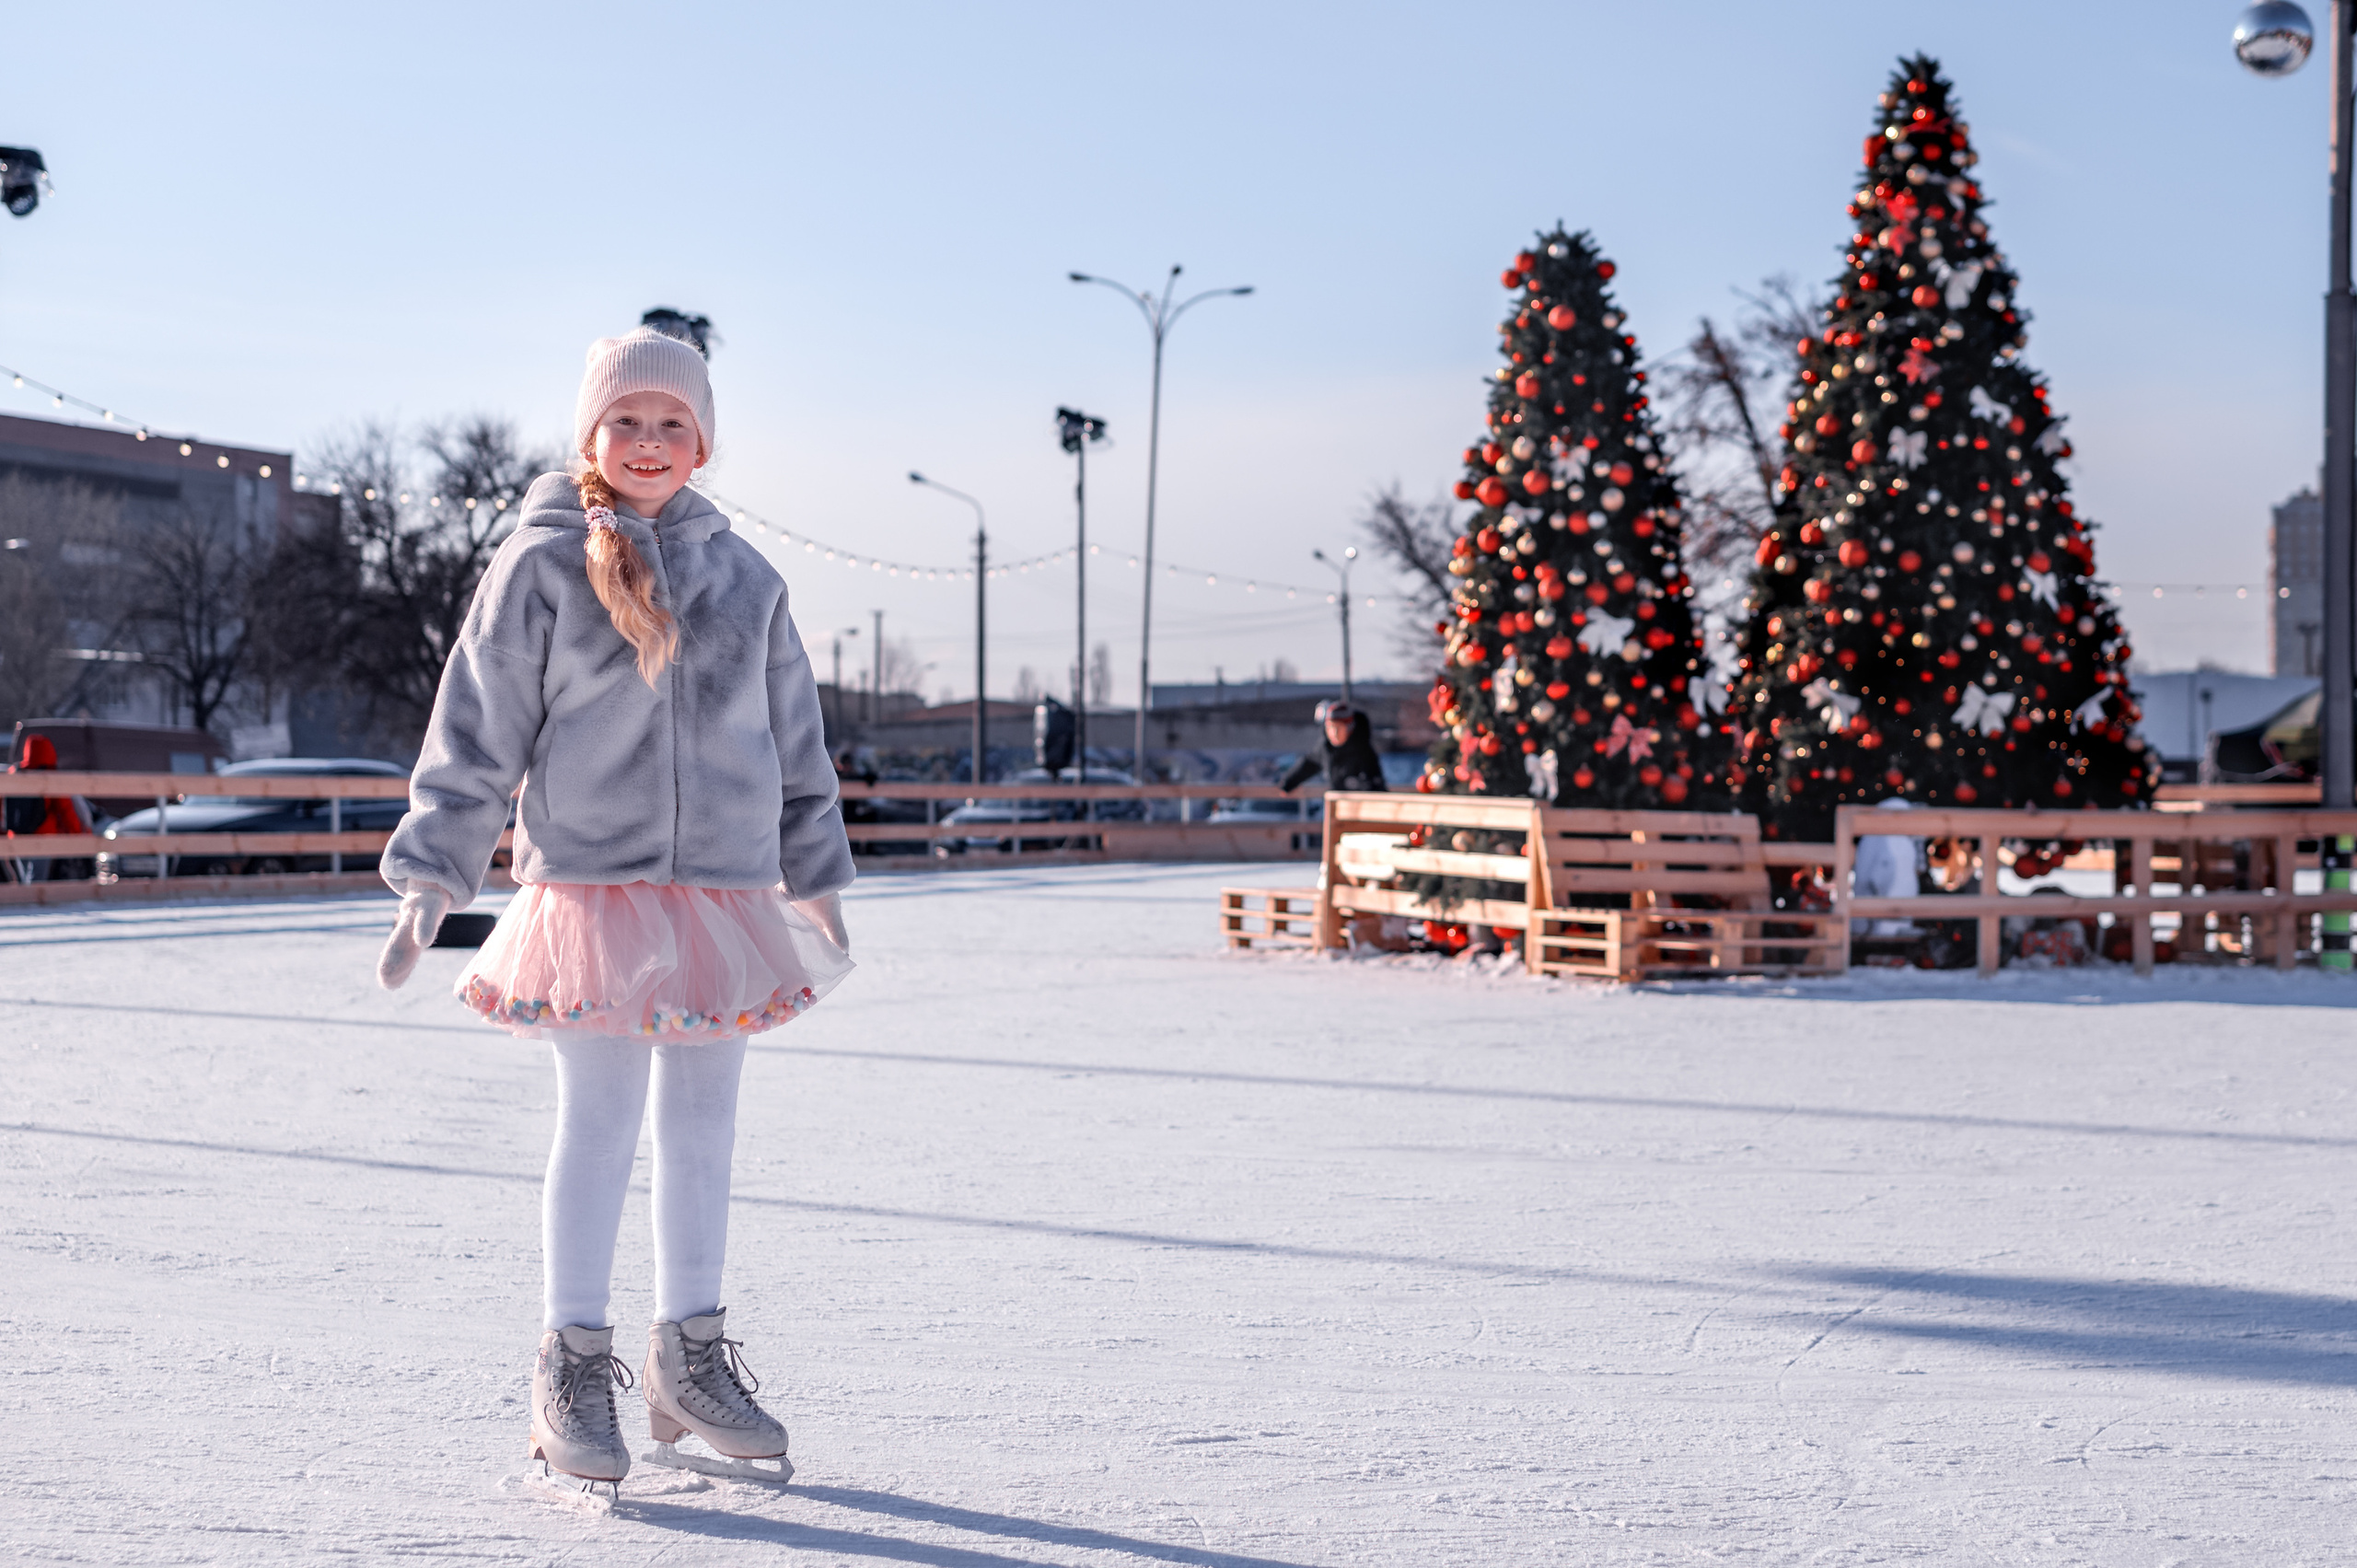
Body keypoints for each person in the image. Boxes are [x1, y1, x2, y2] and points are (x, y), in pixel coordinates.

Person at [375, 328, 853, 1494]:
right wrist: (434, 873)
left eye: (672, 424)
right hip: (589, 887)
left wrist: (818, 875)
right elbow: (477, 730)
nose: (649, 442)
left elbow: (797, 745)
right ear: (590, 435)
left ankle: (689, 1357)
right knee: (596, 1119)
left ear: (702, 441)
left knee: (704, 1127)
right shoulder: (541, 564)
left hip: (722, 896)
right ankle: (571, 1362)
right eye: (627, 421)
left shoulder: (748, 577)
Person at [3, 733, 95, 882]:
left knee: (23, 879)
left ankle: (27, 901)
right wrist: (82, 834)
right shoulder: (49, 777)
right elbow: (66, 810)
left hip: (16, 835)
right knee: (37, 880)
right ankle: (33, 903)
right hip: (44, 835)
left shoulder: (14, 773)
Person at [1278, 698, 1387, 796]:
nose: (1334, 733)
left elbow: (1375, 784)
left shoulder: (1363, 750)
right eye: (1330, 727)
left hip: (1359, 807)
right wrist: (1288, 783)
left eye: (1339, 727)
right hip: (1338, 805)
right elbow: (1310, 764)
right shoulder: (1326, 748)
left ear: (1349, 728)